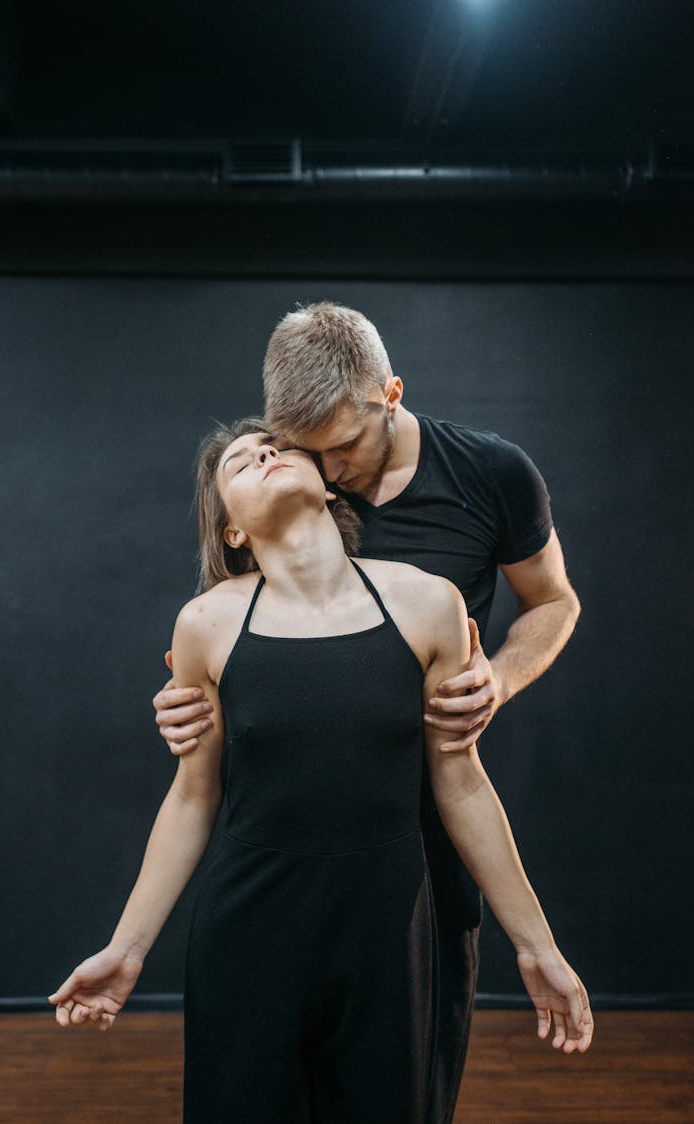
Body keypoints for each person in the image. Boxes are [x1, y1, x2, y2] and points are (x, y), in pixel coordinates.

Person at [49, 421, 593, 1124]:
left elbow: (461, 784)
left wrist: (537, 944)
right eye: (241, 464)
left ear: (329, 485)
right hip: (249, 930)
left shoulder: (428, 602)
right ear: (233, 533)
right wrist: (127, 950)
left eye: (276, 448)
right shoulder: (206, 625)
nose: (266, 454)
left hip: (390, 928)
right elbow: (191, 799)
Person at [153, 303, 582, 1122]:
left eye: (343, 448)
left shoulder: (491, 474)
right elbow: (231, 653)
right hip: (286, 854)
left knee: (404, 1090)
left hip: (423, 841)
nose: (329, 468)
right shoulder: (294, 483)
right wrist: (185, 703)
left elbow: (554, 602)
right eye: (302, 450)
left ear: (390, 394)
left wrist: (499, 676)